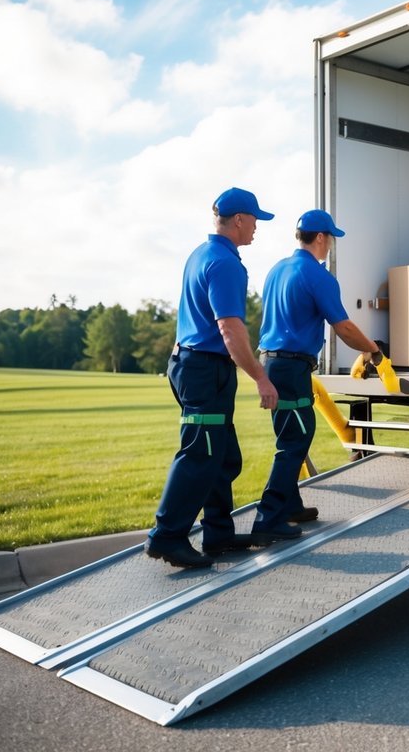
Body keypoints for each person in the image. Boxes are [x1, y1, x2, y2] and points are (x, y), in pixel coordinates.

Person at [145, 187, 280, 569]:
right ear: (239, 219)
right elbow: (230, 330)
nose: (257, 227)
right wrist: (260, 378)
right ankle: (166, 537)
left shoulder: (200, 255)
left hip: (192, 364)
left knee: (222, 454)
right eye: (255, 219)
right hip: (204, 369)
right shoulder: (225, 264)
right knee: (200, 455)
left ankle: (218, 533)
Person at [252, 209, 383, 541]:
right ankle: (268, 516)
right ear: (321, 237)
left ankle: (291, 505)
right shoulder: (317, 275)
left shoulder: (276, 270)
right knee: (296, 438)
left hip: (272, 362)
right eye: (331, 239)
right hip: (292, 365)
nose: (330, 246)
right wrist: (373, 349)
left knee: (291, 434)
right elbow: (344, 328)